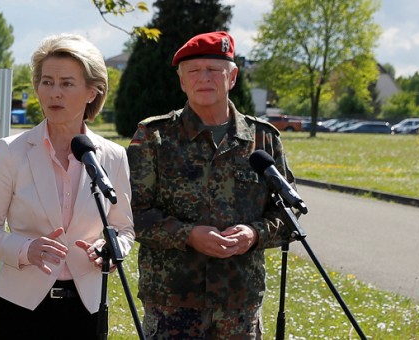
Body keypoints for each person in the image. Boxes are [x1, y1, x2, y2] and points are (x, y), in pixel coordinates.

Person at [127, 31, 297, 339]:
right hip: (173, 303)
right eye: (193, 71)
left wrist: (254, 234)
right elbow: (131, 215)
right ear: (182, 82)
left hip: (239, 302)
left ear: (231, 77)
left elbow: (289, 214)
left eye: (213, 70)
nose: (203, 78)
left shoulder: (263, 139)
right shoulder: (154, 137)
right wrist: (187, 235)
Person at [0, 33, 134, 339]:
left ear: (92, 92)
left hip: (87, 309)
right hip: (19, 308)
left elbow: (124, 230)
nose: (53, 93)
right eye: (47, 82)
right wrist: (25, 249)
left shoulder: (112, 156)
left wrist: (108, 250)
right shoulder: (12, 151)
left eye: (67, 83)